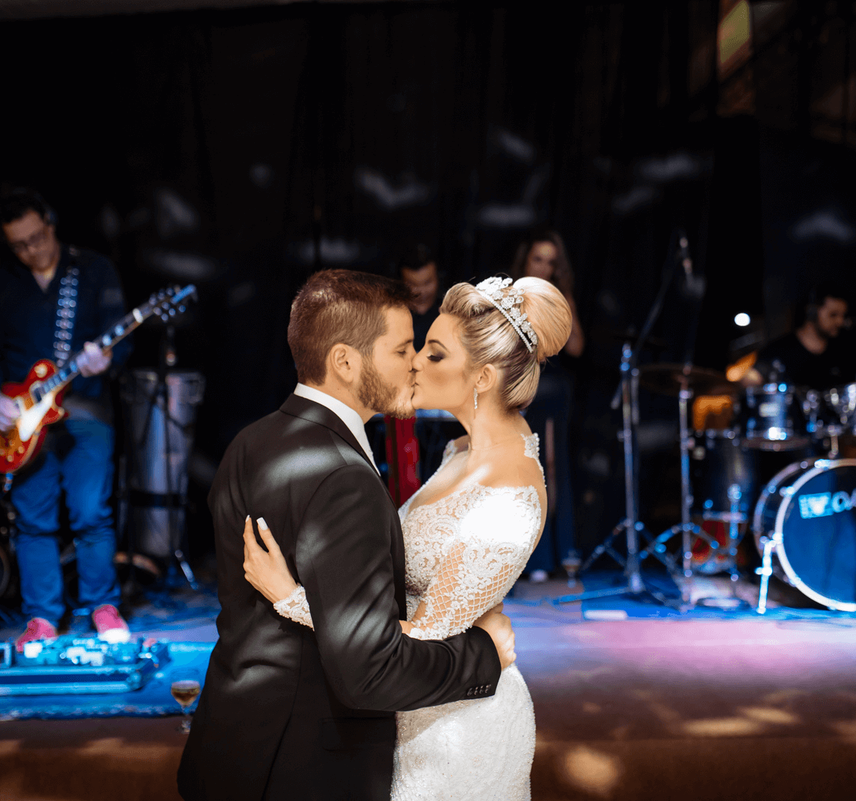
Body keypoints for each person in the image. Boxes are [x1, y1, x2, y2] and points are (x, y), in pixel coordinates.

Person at [177, 269, 518, 801]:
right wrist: (483, 655)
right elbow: (370, 672)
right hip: (306, 767)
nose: (415, 363)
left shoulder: (251, 441)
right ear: (344, 361)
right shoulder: (344, 479)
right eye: (402, 349)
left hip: (232, 745)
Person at [243, 274, 573, 799]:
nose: (415, 361)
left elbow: (417, 640)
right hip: (412, 710)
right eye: (419, 347)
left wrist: (293, 599)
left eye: (434, 354)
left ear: (483, 378)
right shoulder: (460, 451)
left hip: (459, 732)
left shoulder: (508, 500)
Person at [0, 188, 132, 647]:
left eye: (36, 238)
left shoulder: (95, 270)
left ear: (51, 224)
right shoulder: (1, 284)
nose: (30, 250)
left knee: (90, 512)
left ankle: (103, 606)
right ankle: (41, 617)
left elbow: (123, 342)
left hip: (85, 409)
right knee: (33, 519)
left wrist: (107, 361)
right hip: (21, 420)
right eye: (18, 244)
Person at [511, 228, 582, 582]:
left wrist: (562, 300)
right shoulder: (509, 294)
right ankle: (530, 556)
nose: (542, 267)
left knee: (552, 467)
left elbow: (576, 348)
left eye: (549, 262)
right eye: (537, 259)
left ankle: (560, 549)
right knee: (522, 472)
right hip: (520, 386)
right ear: (526, 259)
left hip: (552, 386)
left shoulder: (557, 295)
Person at [742, 283, 854, 389]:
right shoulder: (779, 350)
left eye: (842, 316)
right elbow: (751, 379)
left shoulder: (843, 353)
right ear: (812, 312)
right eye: (833, 315)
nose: (840, 322)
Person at [396, 244, 440, 351]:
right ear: (401, 283)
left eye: (427, 283)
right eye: (412, 284)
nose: (421, 291)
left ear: (438, 278)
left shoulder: (452, 312)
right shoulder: (392, 315)